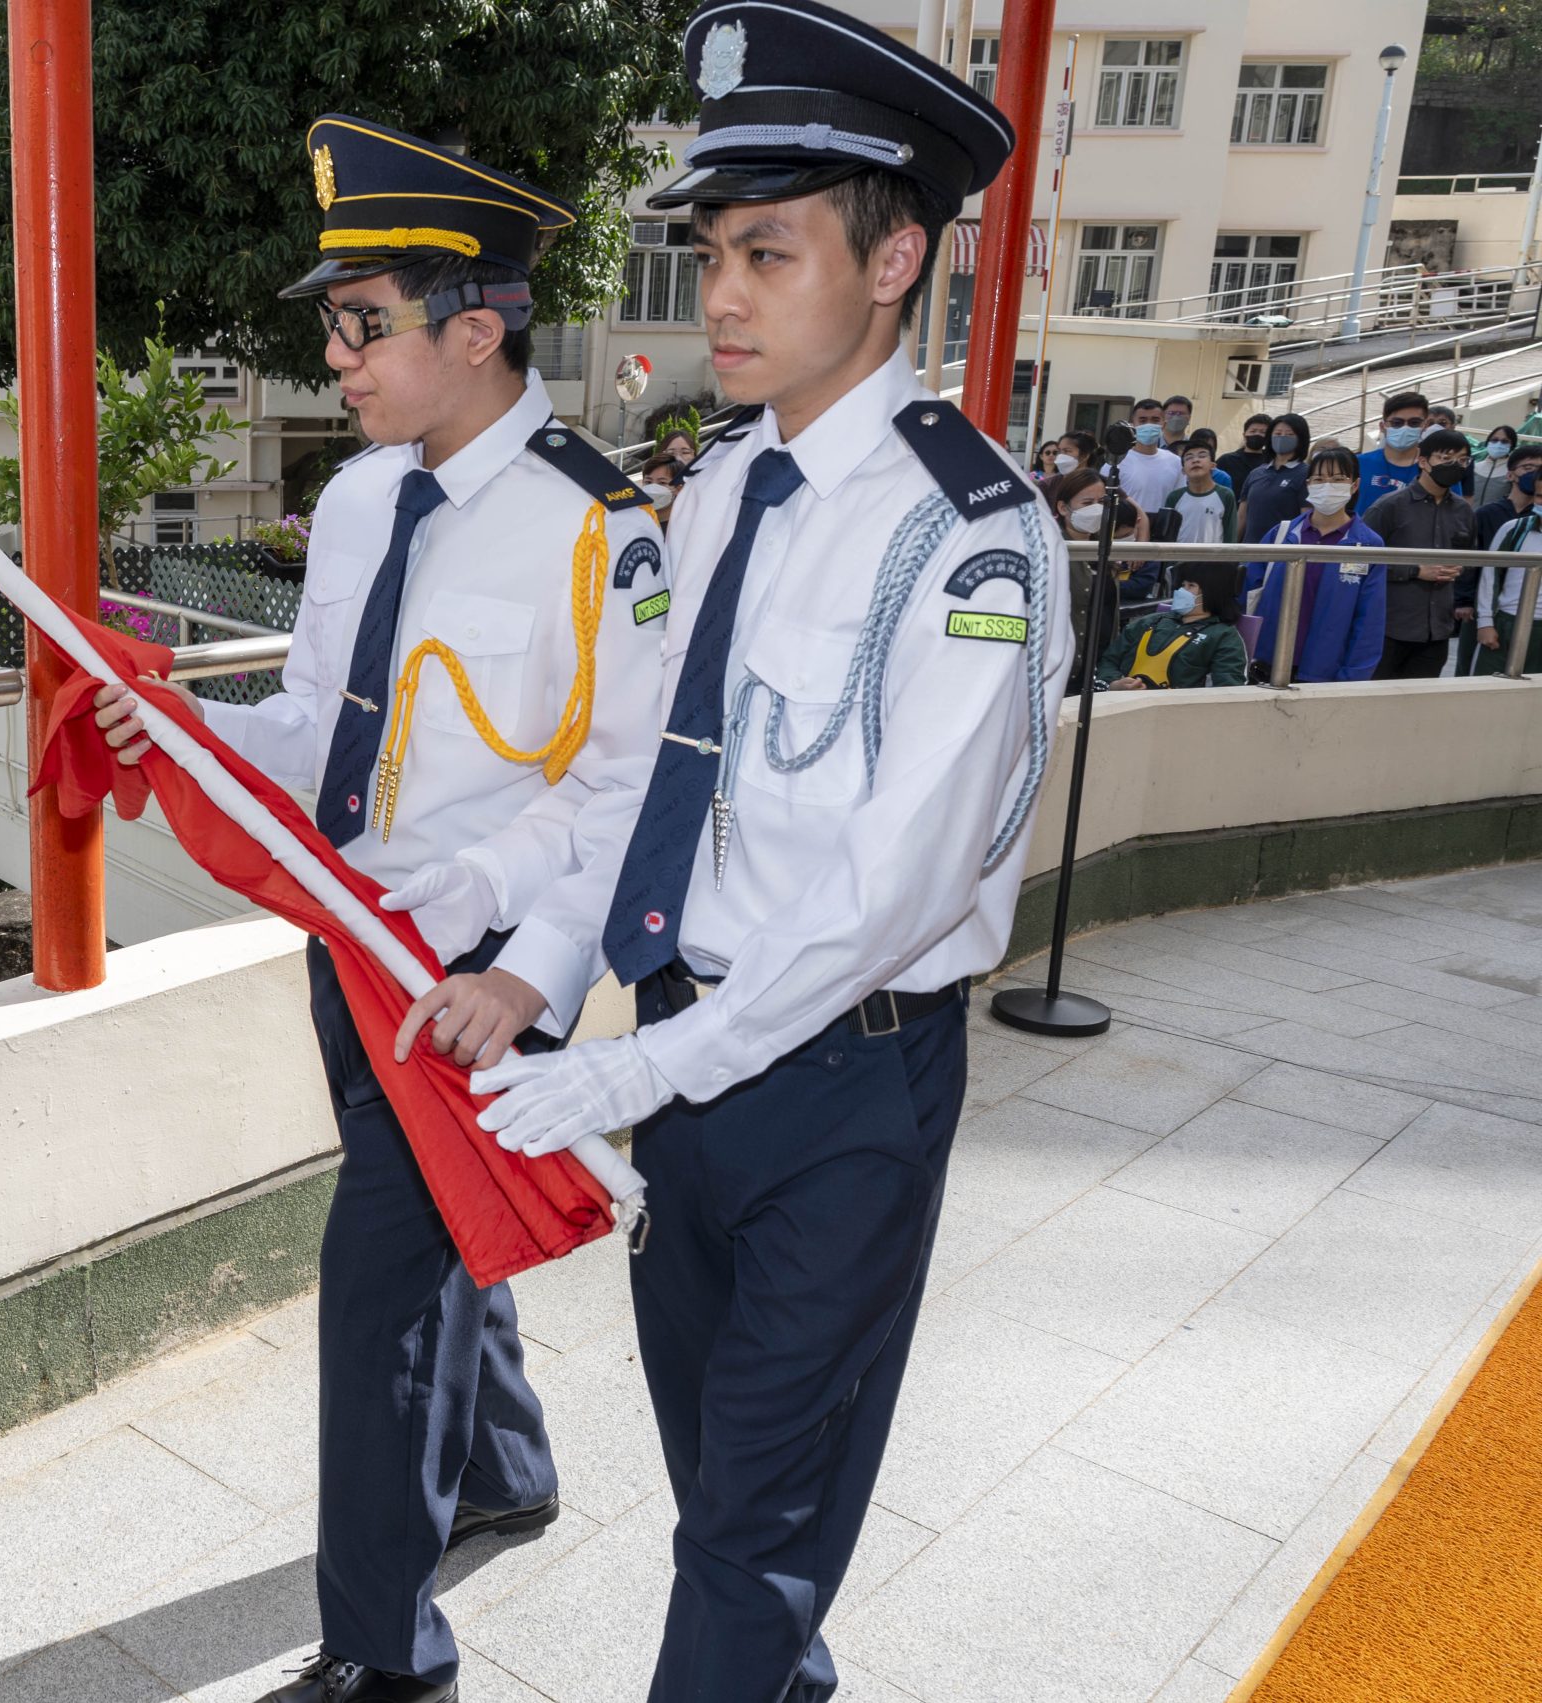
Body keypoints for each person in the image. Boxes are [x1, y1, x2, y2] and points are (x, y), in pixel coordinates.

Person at [387, 8, 1065, 1696]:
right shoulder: (717, 493)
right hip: (689, 1059)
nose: (724, 297)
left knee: (749, 1529)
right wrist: (537, 958)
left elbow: (894, 887)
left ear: (894, 260)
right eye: (712, 255)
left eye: (770, 251)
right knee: (719, 1477)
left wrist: (641, 1066)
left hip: (845, 1082)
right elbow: (651, 778)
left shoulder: (970, 532)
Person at [93, 113, 672, 1703]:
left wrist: (523, 970)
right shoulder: (357, 500)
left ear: (475, 328)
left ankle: (386, 1653)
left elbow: (621, 793)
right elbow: (317, 725)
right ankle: (506, 1466)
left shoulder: (602, 527)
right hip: (349, 929)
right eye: (333, 323)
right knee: (432, 1215)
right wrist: (192, 731)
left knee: (381, 1297)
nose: (335, 357)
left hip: (474, 965)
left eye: (364, 323)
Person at [1247, 444, 1387, 683]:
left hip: (1324, 673)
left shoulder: (1368, 544)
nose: (1327, 485)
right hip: (1266, 664)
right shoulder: (1281, 534)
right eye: (1319, 479)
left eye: (1338, 479)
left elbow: (1369, 621)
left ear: (1354, 485)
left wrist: (1352, 678)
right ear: (1308, 484)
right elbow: (1249, 593)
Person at [1364, 426, 1476, 680]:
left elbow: (1470, 558)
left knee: (1421, 699)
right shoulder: (1389, 506)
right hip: (1389, 628)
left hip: (1437, 631)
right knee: (1376, 696)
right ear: (1423, 461)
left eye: (1462, 460)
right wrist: (1414, 571)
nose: (1455, 465)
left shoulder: (1464, 511)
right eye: (1446, 458)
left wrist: (1459, 568)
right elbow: (1358, 562)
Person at [1097, 562, 1249, 689]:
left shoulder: (1224, 636)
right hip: (1119, 702)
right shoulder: (1149, 622)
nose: (1182, 591)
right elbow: (1109, 659)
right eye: (1182, 585)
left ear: (1213, 592)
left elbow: (1227, 689)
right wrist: (1114, 683)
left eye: (1191, 586)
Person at [1047, 469, 1130, 672]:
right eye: (1087, 503)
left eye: (1101, 502)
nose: (1097, 509)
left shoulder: (1104, 548)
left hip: (1098, 665)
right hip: (1062, 668)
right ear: (1063, 508)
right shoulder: (1052, 548)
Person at [1469, 495, 1542, 676]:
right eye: (1539, 495)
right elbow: (1489, 575)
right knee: (1485, 686)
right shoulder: (1514, 529)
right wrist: (1485, 622)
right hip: (1505, 624)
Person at [1239, 411, 1313, 544]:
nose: (1282, 437)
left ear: (1301, 439)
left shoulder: (1306, 473)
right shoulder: (1256, 473)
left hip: (1282, 551)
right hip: (1250, 550)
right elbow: (1241, 517)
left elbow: (1306, 518)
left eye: (1289, 434)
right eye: (1277, 433)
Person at [1356, 391, 1430, 514]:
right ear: (1382, 426)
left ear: (1425, 425)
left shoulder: (1436, 470)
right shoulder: (1357, 464)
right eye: (1397, 423)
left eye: (1414, 423)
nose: (1405, 428)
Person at [1114, 395, 1184, 518]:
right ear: (1133, 425)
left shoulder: (1175, 462)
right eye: (1142, 420)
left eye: (1155, 420)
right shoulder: (1116, 461)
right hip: (1127, 527)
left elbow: (1180, 501)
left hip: (1163, 527)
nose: (1149, 425)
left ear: (1163, 424)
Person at [1161, 442, 1238, 544]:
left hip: (1213, 554)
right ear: (1183, 470)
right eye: (1189, 458)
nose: (1195, 460)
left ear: (1213, 465)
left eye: (1202, 456)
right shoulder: (1174, 497)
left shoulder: (1225, 495)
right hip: (1180, 554)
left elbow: (1230, 535)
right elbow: (1167, 537)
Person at [1471, 425, 1522, 509]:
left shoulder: (1514, 471)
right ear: (1488, 442)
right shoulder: (1475, 467)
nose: (1498, 444)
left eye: (1505, 441)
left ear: (1512, 445)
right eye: (1494, 440)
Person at [1218, 413, 1275, 488]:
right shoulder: (1227, 460)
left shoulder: (1273, 462)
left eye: (1263, 432)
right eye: (1253, 431)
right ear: (1244, 435)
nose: (1257, 434)